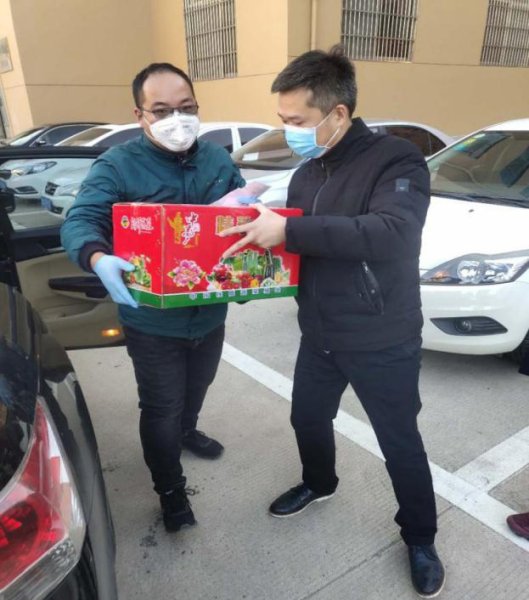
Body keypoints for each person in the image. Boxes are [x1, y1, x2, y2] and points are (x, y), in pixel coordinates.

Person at [220, 46, 445, 598]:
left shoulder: (397, 160)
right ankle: (319, 483)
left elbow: (393, 232)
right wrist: (246, 275)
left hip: (381, 335)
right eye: (283, 119)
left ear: (337, 113)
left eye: (297, 120)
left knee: (400, 443)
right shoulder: (306, 173)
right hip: (319, 333)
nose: (289, 130)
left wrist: (289, 232)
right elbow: (298, 249)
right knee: (307, 418)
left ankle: (420, 537)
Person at [61, 63, 245, 533]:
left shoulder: (217, 160)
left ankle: (188, 430)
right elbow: (81, 218)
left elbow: (244, 212)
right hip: (152, 322)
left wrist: (250, 261)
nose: (176, 120)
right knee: (161, 407)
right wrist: (96, 255)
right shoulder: (117, 165)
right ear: (139, 115)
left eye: (186, 108)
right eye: (161, 110)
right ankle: (170, 490)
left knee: (196, 391)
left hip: (209, 313)